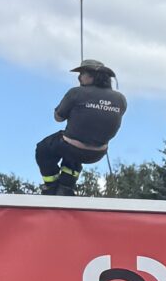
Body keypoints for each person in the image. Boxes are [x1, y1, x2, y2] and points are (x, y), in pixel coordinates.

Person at [34, 59, 128, 195]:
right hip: (97, 153)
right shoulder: (121, 99)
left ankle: (51, 185)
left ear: (92, 76)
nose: (79, 77)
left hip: (70, 147)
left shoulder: (76, 93)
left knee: (44, 149)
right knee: (75, 149)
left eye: (82, 73)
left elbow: (58, 118)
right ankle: (66, 186)